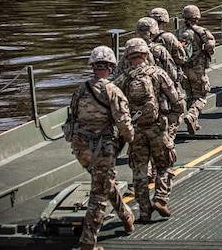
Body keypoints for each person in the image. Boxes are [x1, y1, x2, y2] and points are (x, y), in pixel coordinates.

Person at [64, 46, 135, 250]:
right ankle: (88, 242)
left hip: (81, 149)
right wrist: (130, 138)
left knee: (104, 181)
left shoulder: (80, 89)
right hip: (102, 149)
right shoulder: (112, 90)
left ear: (93, 66)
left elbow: (72, 117)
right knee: (99, 195)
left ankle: (126, 216)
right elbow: (123, 121)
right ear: (111, 67)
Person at [115, 38, 184, 223]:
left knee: (139, 171)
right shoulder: (157, 73)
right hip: (157, 128)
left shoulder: (122, 79)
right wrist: (175, 114)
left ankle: (144, 212)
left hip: (135, 131)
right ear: (146, 54)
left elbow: (113, 103)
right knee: (165, 165)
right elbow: (176, 99)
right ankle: (161, 198)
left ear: (128, 56)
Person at [176, 5, 215, 134]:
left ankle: (194, 122)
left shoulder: (177, 32)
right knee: (201, 96)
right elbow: (210, 45)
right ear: (197, 17)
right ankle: (192, 115)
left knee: (190, 95)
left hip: (183, 69)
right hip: (197, 69)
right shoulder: (201, 31)